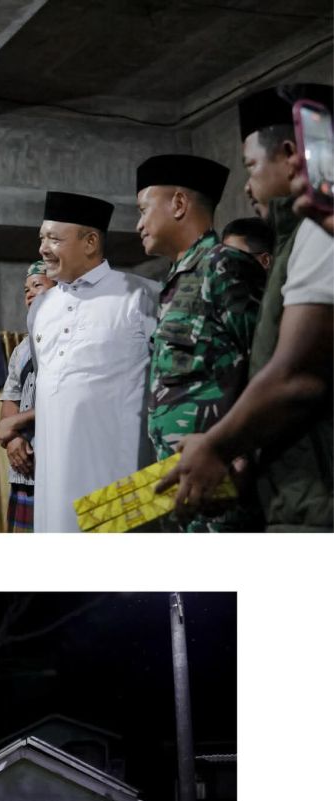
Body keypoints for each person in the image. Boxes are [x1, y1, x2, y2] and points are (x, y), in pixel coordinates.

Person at [157, 83, 333, 532]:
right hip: (294, 490)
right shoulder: (300, 237)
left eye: (252, 166)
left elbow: (297, 378)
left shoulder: (317, 235)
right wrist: (246, 453)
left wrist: (217, 446)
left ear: (294, 152)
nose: (249, 186)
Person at [136, 153, 266, 531]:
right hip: (182, 484)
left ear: (178, 204)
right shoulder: (174, 283)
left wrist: (242, 456)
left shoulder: (224, 265)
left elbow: (264, 363)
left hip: (222, 485)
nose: (138, 224)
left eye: (143, 210)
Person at [31, 191, 158, 533]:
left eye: (54, 239)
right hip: (52, 481)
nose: (43, 248)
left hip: (120, 479)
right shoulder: (41, 308)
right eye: (42, 238)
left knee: (119, 579)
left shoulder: (142, 295)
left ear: (90, 242)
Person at [0, 261, 54, 532]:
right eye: (25, 289)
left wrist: (14, 424)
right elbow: (10, 399)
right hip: (24, 470)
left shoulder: (70, 337)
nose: (29, 293)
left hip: (57, 467)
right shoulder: (21, 349)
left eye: (37, 285)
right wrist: (12, 439)